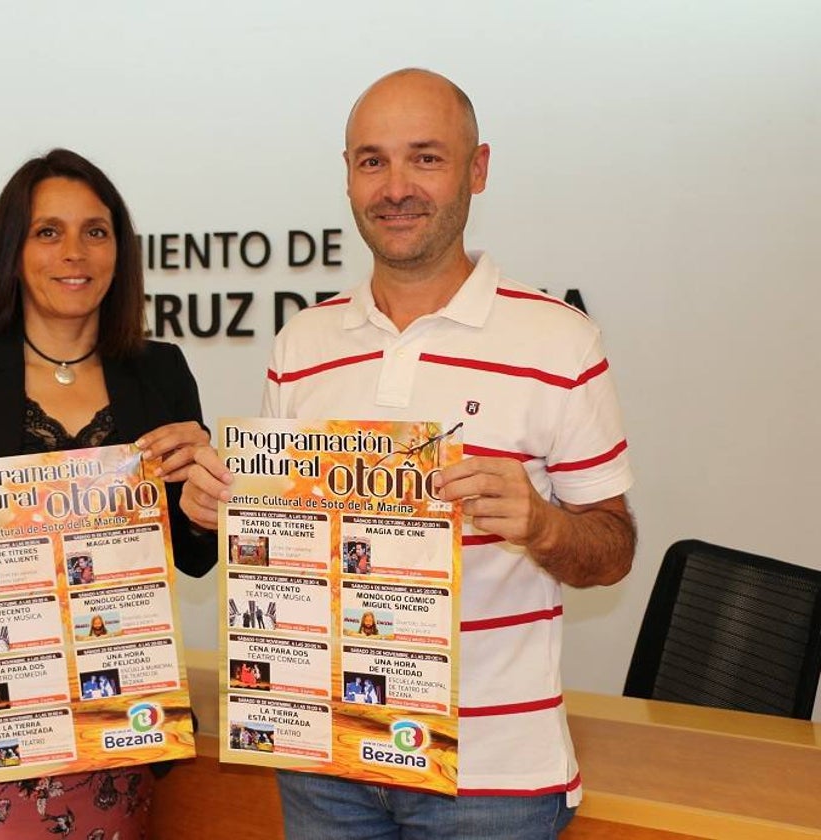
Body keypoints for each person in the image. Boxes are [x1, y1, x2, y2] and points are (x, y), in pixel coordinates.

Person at [181, 69, 635, 839]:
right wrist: (223, 515)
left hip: (491, 781)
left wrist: (541, 524)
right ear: (349, 177)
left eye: (425, 157)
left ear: (477, 169)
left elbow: (613, 548)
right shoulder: (302, 344)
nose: (395, 187)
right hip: (324, 761)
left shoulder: (560, 340)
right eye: (372, 161)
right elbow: (285, 553)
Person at [0, 148, 217, 839]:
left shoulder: (159, 373)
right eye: (48, 231)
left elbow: (192, 554)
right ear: (13, 249)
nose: (75, 253)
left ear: (119, 250)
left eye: (95, 231)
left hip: (117, 732)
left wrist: (208, 495)